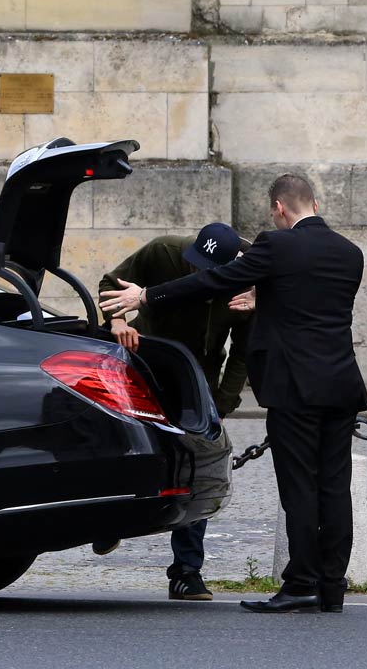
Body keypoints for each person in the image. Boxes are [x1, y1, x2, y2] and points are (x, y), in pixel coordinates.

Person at [100, 174, 367, 614]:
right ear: (316, 203)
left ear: (279, 209)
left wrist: (148, 295)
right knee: (335, 488)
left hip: (293, 387)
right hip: (341, 384)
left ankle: (301, 582)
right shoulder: (350, 253)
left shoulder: (275, 245)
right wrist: (264, 302)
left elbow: (214, 281)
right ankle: (332, 589)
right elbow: (311, 307)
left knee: (300, 487)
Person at [94, 222, 253, 600]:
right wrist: (117, 321)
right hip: (145, 364)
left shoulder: (246, 282)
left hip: (198, 381)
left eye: (208, 271)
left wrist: (223, 402)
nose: (198, 274)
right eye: (195, 265)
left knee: (196, 471)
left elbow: (243, 351)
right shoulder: (164, 250)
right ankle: (105, 519)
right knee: (126, 449)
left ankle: (186, 572)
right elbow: (109, 283)